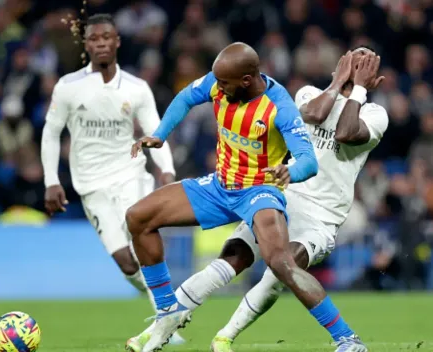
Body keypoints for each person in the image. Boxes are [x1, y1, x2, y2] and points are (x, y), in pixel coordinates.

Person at [133, 47, 389, 352]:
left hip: (319, 213)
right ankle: (165, 321)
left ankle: (234, 335)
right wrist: (339, 86)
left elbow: (346, 132)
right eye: (343, 70)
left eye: (351, 76)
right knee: (231, 256)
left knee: (281, 267)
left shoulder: (374, 114)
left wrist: (356, 89)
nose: (344, 77)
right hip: (279, 193)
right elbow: (316, 114)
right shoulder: (307, 94)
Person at [40, 14, 184, 346]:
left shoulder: (136, 88)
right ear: (86, 44)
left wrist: (167, 172)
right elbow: (51, 133)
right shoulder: (68, 87)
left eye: (107, 37)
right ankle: (167, 304)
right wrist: (51, 180)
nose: (102, 43)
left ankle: (167, 322)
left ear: (117, 41)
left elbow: (155, 133)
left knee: (140, 242)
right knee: (126, 263)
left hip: (130, 174)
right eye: (95, 38)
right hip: (91, 186)